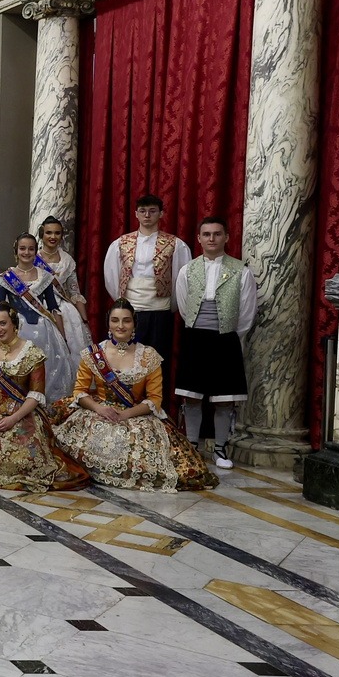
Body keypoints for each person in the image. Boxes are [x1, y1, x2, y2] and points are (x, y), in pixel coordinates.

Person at [55, 300, 217, 491]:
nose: (120, 326)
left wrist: (125, 415)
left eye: (126, 320)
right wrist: (100, 409)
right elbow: (79, 392)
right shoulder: (93, 354)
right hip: (99, 411)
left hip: (135, 413)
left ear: (134, 324)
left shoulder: (148, 356)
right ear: (108, 324)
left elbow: (155, 399)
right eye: (115, 320)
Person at [0, 303, 90, 491]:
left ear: (14, 324)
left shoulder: (33, 353)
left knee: (26, 453)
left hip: (23, 412)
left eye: (3, 323)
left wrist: (13, 419)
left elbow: (35, 395)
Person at [175, 217, 257, 470]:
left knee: (224, 398)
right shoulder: (187, 270)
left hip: (225, 339)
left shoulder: (241, 271)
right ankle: (192, 446)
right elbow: (183, 305)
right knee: (191, 396)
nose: (211, 238)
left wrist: (228, 334)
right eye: (206, 234)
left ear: (226, 237)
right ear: (199, 238)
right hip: (195, 338)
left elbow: (247, 312)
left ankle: (220, 448)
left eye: (217, 234)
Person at [101, 194, 190, 383]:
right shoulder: (120, 243)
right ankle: (128, 398)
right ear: (136, 214)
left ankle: (155, 399)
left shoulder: (175, 244)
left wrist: (171, 305)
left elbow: (181, 279)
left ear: (161, 214)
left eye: (152, 211)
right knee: (128, 358)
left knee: (157, 361)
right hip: (130, 310)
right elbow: (111, 276)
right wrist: (123, 303)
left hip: (160, 310)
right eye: (143, 211)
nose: (147, 215)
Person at [0, 233, 74, 404]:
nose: (26, 252)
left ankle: (41, 403)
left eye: (31, 249)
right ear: (16, 251)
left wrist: (63, 338)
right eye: (22, 248)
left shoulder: (45, 277)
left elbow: (54, 309)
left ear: (36, 251)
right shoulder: (6, 278)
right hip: (15, 331)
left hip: (43, 330)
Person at [37, 216, 91, 356]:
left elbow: (74, 293)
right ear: (42, 234)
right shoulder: (33, 258)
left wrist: (84, 321)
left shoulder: (67, 261)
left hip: (65, 311)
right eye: (49, 233)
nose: (53, 237)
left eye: (57, 233)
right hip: (39, 308)